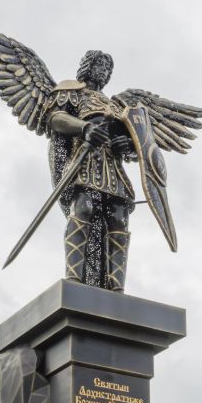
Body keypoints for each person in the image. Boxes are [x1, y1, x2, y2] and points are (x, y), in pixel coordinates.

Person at [47, 50, 138, 292]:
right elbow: (56, 118)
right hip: (85, 160)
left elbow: (135, 140)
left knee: (119, 217)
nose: (104, 71)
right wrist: (84, 127)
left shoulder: (117, 105)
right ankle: (74, 277)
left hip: (112, 167)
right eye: (100, 65)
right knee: (83, 208)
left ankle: (116, 286)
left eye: (108, 68)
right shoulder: (71, 91)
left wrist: (127, 144)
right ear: (88, 66)